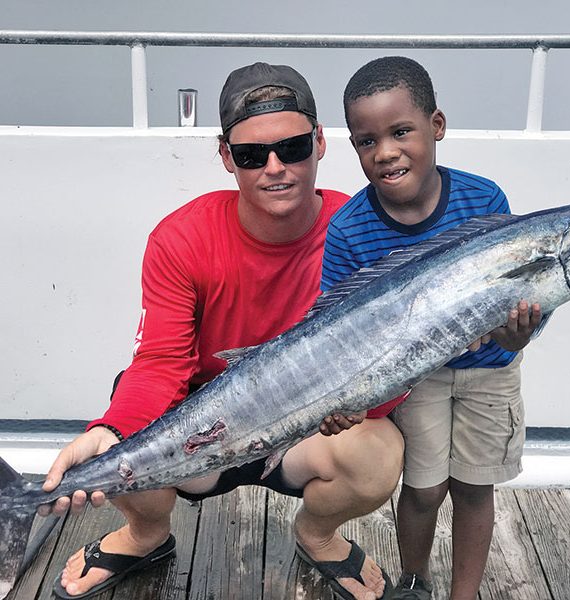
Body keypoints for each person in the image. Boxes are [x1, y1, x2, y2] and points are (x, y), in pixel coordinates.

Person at [41, 62, 405, 600]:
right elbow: (161, 363)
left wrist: (362, 407)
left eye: (293, 147)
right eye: (252, 155)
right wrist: (111, 430)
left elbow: (388, 361)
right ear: (225, 156)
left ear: (321, 142)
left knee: (378, 454)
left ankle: (316, 534)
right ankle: (145, 534)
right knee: (126, 431)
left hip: (308, 432)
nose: (275, 167)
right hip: (202, 430)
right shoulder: (181, 238)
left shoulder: (362, 231)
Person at [321, 56, 543, 600]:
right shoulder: (348, 230)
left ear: (436, 127)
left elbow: (517, 296)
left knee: (473, 487)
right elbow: (335, 335)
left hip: (491, 372)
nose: (386, 152)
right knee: (422, 489)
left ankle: (462, 595)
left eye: (401, 132)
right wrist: (346, 398)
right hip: (414, 381)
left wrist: (519, 334)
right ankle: (413, 583)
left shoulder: (484, 199)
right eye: (367, 141)